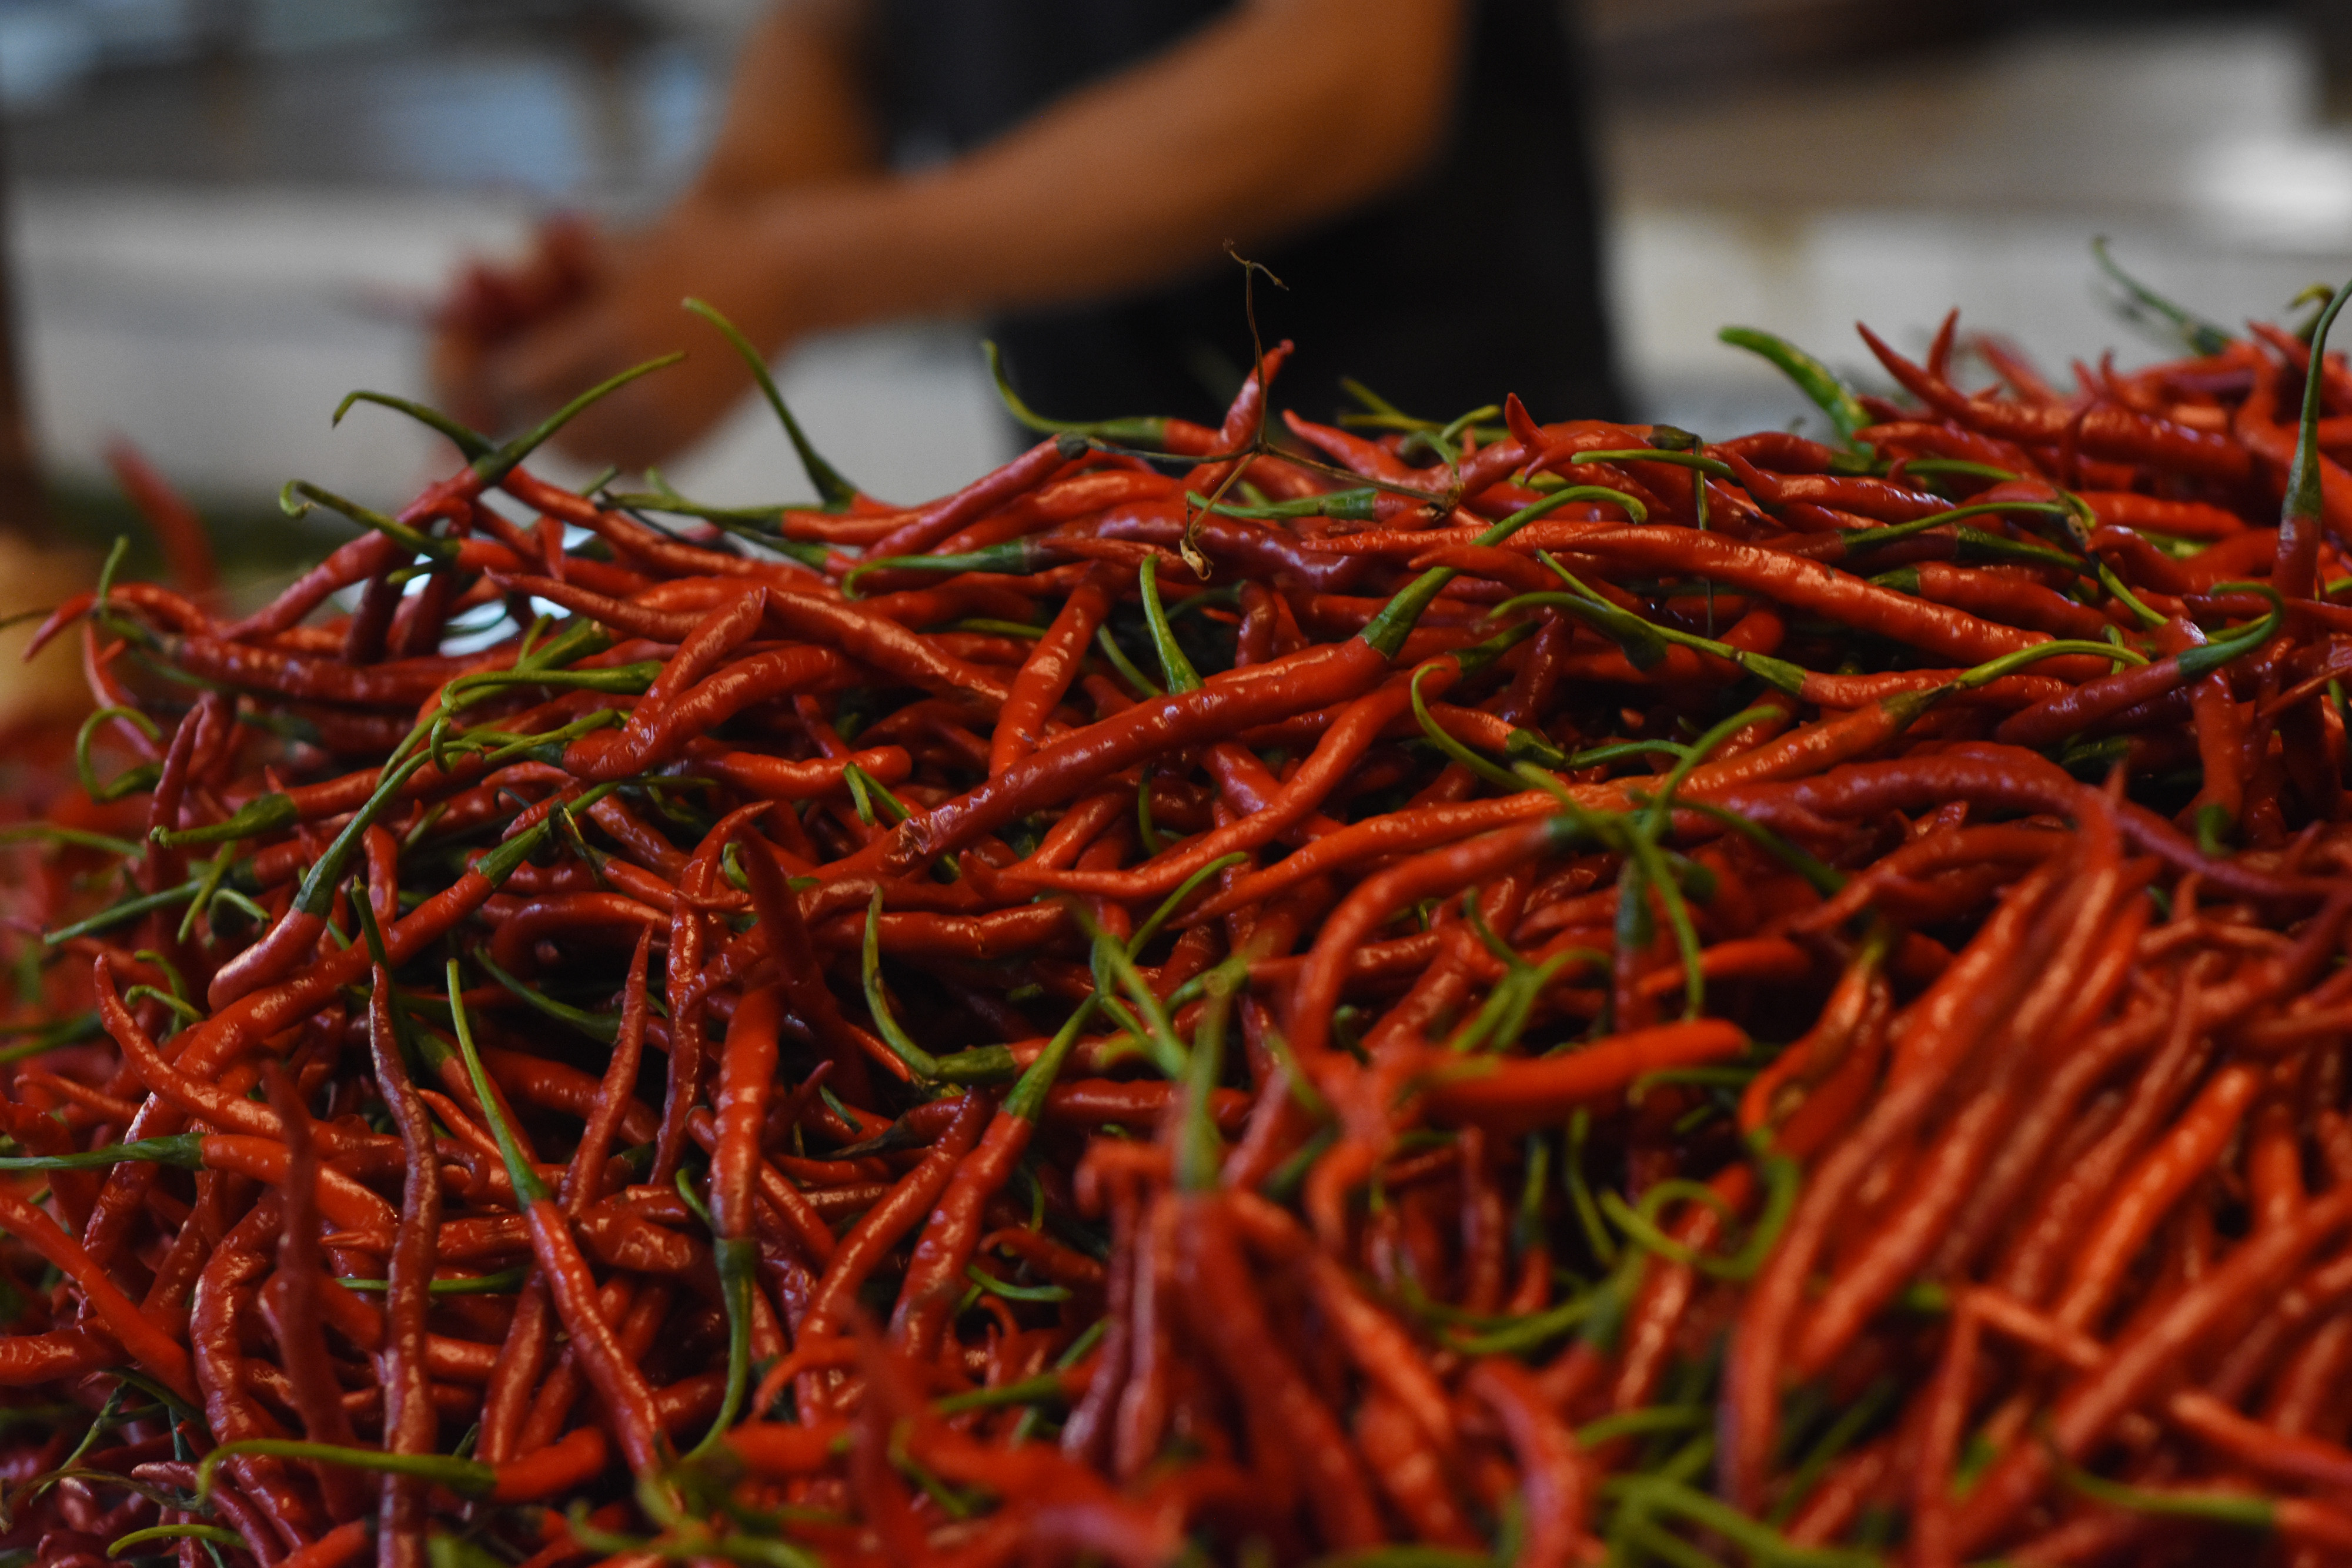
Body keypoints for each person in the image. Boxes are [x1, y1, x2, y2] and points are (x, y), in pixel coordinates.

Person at [432, 0, 1622, 472]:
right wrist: (634, 307)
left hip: (1459, 508)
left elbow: (1346, 79)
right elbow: (824, 61)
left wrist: (792, 272)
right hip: (1103, 553)